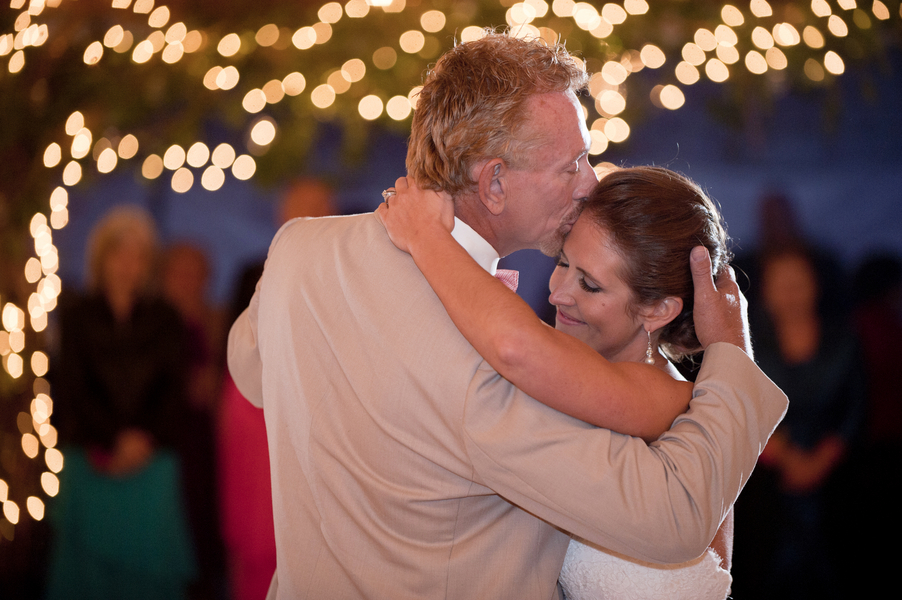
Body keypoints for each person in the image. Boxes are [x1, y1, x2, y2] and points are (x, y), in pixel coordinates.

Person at [227, 32, 787, 599]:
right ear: (494, 181)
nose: (590, 181)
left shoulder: (298, 248)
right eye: (571, 164)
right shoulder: (495, 370)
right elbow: (675, 517)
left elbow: (252, 373)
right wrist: (730, 360)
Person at [377, 166, 737, 599]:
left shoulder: (677, 404)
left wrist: (426, 236)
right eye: (563, 262)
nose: (558, 293)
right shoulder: (575, 372)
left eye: (589, 284)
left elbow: (516, 344)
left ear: (658, 309)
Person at [48, 205, 196, 600]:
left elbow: (172, 390)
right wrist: (112, 440)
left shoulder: (166, 317)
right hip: (94, 462)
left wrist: (142, 440)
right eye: (120, 252)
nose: (128, 264)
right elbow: (72, 388)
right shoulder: (78, 315)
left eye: (139, 255)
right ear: (102, 257)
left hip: (152, 463)